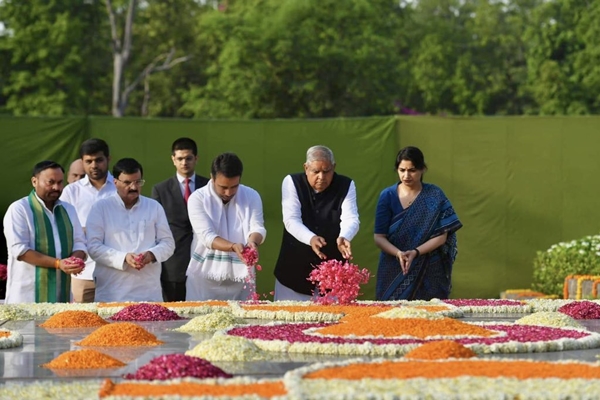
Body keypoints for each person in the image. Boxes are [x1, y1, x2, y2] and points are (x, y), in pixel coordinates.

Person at [373, 146, 462, 301]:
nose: (406, 175)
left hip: (430, 267)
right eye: (402, 170)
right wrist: (399, 253)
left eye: (412, 170)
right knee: (390, 319)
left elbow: (442, 236)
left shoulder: (434, 195)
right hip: (393, 267)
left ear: (423, 169)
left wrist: (415, 252)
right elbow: (379, 237)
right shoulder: (387, 196)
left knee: (433, 318)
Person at [273, 145, 359, 301]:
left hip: (334, 276)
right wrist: (310, 238)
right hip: (293, 273)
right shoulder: (292, 182)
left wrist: (345, 236)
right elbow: (291, 219)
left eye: (326, 171)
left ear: (334, 167)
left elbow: (351, 218)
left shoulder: (346, 185)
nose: (321, 177)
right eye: (315, 172)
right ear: (306, 168)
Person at [86, 158, 175, 302]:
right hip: (112, 293)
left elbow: (168, 243)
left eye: (138, 182)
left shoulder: (154, 207)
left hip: (148, 293)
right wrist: (124, 258)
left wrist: (151, 255)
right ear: (115, 182)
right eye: (127, 183)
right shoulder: (101, 208)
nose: (134, 187)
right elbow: (93, 247)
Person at [3, 161, 86, 303]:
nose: (56, 187)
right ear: (34, 181)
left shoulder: (68, 209)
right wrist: (58, 264)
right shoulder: (19, 209)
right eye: (50, 182)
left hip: (62, 295)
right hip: (27, 297)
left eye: (60, 182)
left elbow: (80, 243)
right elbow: (20, 250)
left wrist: (75, 260)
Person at [186, 152, 266, 301]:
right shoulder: (197, 198)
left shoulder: (251, 195)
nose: (228, 192)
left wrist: (253, 243)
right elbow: (207, 237)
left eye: (234, 186)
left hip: (241, 277)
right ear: (212, 177)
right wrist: (234, 246)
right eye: (223, 187)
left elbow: (257, 227)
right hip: (204, 278)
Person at [152, 138, 209, 302]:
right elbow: (156, 228)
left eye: (189, 158)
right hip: (173, 263)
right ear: (173, 159)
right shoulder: (160, 190)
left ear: (196, 159)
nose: (184, 163)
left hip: (204, 258)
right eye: (180, 159)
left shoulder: (209, 187)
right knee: (173, 316)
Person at [60, 139, 116, 303]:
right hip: (82, 272)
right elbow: (64, 228)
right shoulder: (71, 191)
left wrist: (84, 229)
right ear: (82, 161)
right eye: (88, 161)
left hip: (116, 272)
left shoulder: (120, 187)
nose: (94, 165)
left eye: (99, 160)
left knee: (117, 326)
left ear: (108, 159)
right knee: (80, 325)